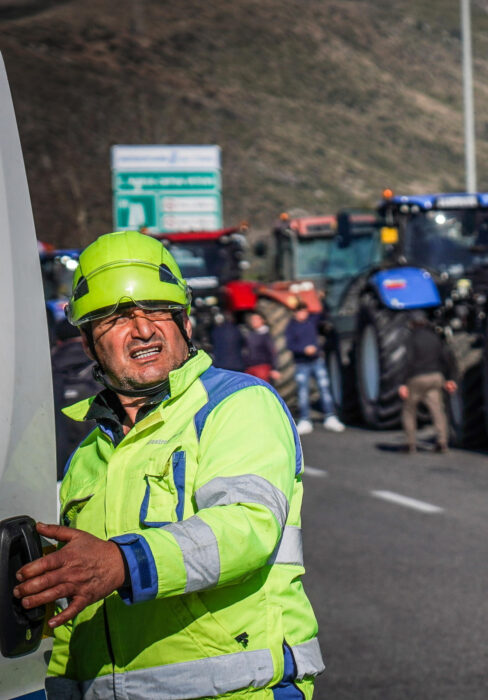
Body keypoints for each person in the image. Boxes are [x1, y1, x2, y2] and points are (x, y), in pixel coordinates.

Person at [13, 231, 323, 698]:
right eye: (115, 317)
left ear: (185, 323)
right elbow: (73, 602)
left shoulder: (237, 404)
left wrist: (123, 561)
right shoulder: (88, 456)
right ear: (86, 342)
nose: (142, 329)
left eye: (157, 310)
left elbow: (246, 527)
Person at [397, 313, 458, 452]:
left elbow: (408, 361)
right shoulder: (435, 337)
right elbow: (446, 357)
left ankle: (410, 444)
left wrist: (403, 383)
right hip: (436, 378)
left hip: (417, 379)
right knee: (437, 410)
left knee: (409, 410)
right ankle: (442, 442)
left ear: (412, 323)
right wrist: (449, 379)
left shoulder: (411, 339)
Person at [49, 318, 100, 480]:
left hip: (51, 474)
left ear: (58, 340)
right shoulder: (102, 371)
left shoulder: (43, 371)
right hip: (92, 475)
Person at [284, 301, 344, 435]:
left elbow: (324, 312)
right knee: (303, 392)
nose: (302, 314)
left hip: (316, 361)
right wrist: (303, 350)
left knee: (324, 388)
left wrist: (321, 299)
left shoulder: (312, 321)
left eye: (304, 311)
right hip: (301, 363)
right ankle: (305, 419)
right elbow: (290, 345)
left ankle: (330, 416)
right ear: (295, 313)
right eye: (299, 312)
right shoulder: (291, 327)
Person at [244, 310, 281, 383]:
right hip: (250, 368)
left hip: (262, 368)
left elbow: (273, 353)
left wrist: (275, 368)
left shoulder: (266, 336)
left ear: (262, 320)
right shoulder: (250, 335)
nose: (254, 321)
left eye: (256, 319)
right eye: (252, 320)